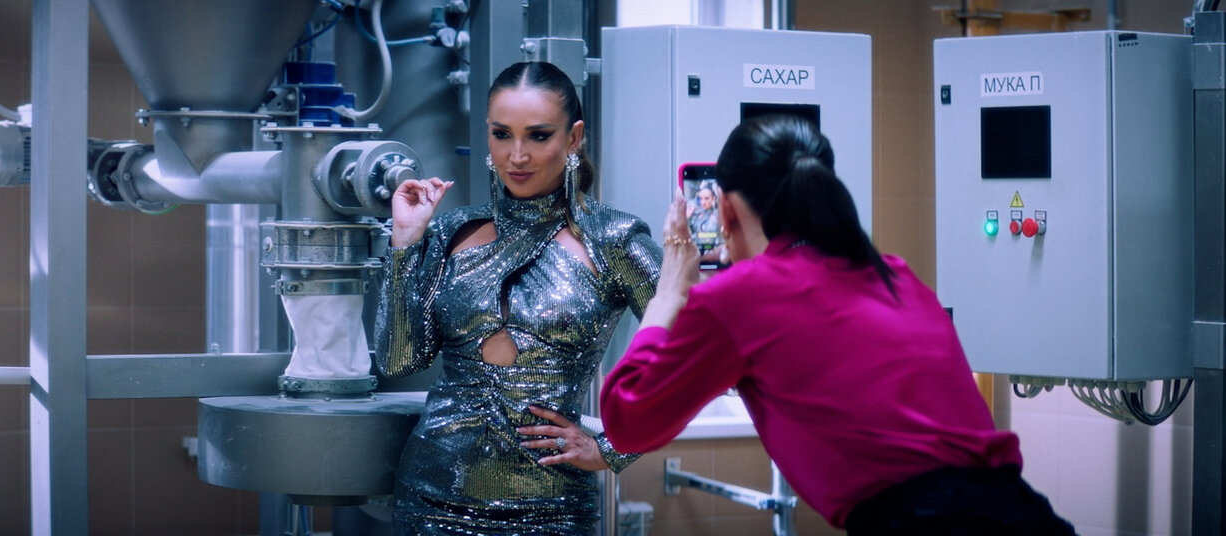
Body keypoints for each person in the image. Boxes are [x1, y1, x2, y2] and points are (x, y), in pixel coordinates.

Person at [599, 115, 1074, 534]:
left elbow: (626, 421)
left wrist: (669, 294)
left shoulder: (740, 297)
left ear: (724, 210)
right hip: (1027, 513)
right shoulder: (895, 275)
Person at [374, 61, 661, 535]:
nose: (518, 155)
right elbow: (399, 360)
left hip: (552, 510)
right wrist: (405, 244)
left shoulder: (614, 239)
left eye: (539, 135)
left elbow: (700, 354)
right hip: (430, 499)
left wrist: (610, 449)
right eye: (502, 135)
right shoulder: (451, 232)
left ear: (573, 138)